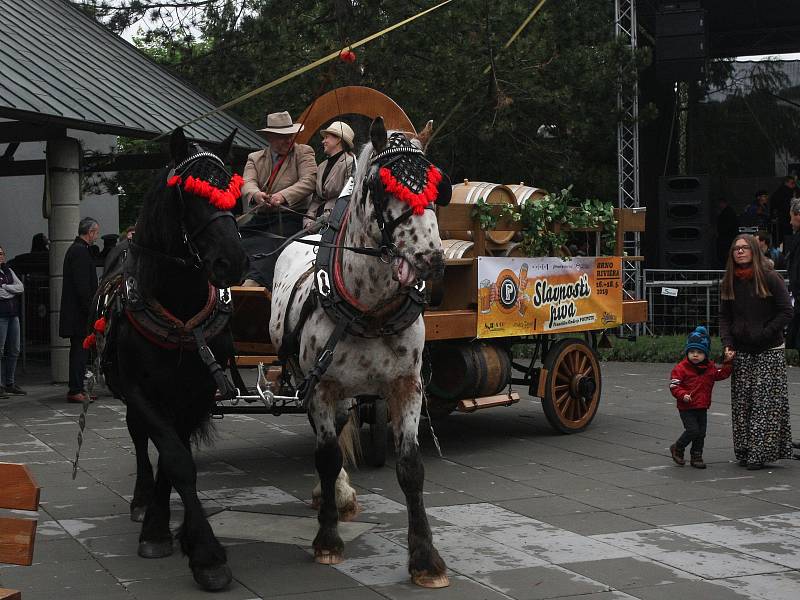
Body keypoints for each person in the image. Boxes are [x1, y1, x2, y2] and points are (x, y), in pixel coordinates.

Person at [719, 234, 794, 470]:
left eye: (744, 248)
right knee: (742, 403)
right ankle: (745, 449)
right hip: (741, 348)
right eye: (736, 248)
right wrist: (727, 341)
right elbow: (724, 316)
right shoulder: (729, 281)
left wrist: (766, 332)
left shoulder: (770, 277)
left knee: (765, 403)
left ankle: (760, 454)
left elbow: (786, 311)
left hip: (768, 348)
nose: (740, 252)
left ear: (754, 250)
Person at [239, 111, 317, 288]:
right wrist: (257, 195)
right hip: (261, 218)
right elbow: (247, 182)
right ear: (270, 137)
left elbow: (309, 180)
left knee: (271, 246)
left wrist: (283, 196)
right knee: (235, 239)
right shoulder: (255, 158)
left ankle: (254, 282)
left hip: (291, 217)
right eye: (282, 137)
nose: (288, 140)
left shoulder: (303, 152)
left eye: (290, 135)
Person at [668, 326, 733, 469]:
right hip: (686, 407)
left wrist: (728, 363)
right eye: (692, 352)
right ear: (687, 352)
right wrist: (682, 394)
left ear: (706, 354)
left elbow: (721, 374)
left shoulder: (709, 368)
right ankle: (677, 447)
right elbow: (674, 386)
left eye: (699, 352)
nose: (695, 355)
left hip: (702, 406)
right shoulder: (681, 368)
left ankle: (696, 456)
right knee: (693, 430)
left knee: (701, 433)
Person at [59, 217, 100, 403]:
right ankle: (75, 389)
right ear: (90, 232)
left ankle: (78, 388)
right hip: (79, 314)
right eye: (95, 233)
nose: (96, 237)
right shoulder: (80, 252)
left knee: (80, 352)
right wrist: (91, 310)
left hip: (77, 312)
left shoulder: (77, 250)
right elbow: (83, 286)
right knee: (79, 352)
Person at [304, 121, 356, 230]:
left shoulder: (351, 163)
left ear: (338, 140)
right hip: (314, 223)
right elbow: (316, 199)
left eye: (326, 137)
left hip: (335, 224)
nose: (323, 141)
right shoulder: (321, 166)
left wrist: (320, 222)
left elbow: (347, 199)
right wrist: (308, 221)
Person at [0, 245, 25, 397]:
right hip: (1, 315)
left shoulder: (8, 270)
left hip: (13, 314)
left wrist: (6, 287)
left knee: (14, 349)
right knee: (0, 350)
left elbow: (20, 287)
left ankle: (10, 382)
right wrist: (10, 291)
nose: (1, 256)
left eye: (2, 253)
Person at [770, 176, 796, 244]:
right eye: (792, 183)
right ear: (786, 183)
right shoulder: (789, 193)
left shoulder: (777, 193)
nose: (794, 185)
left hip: (780, 221)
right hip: (787, 220)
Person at [716, 198, 739, 268]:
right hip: (728, 238)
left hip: (727, 239)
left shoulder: (727, 213)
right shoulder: (729, 212)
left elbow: (727, 226)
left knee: (725, 256)